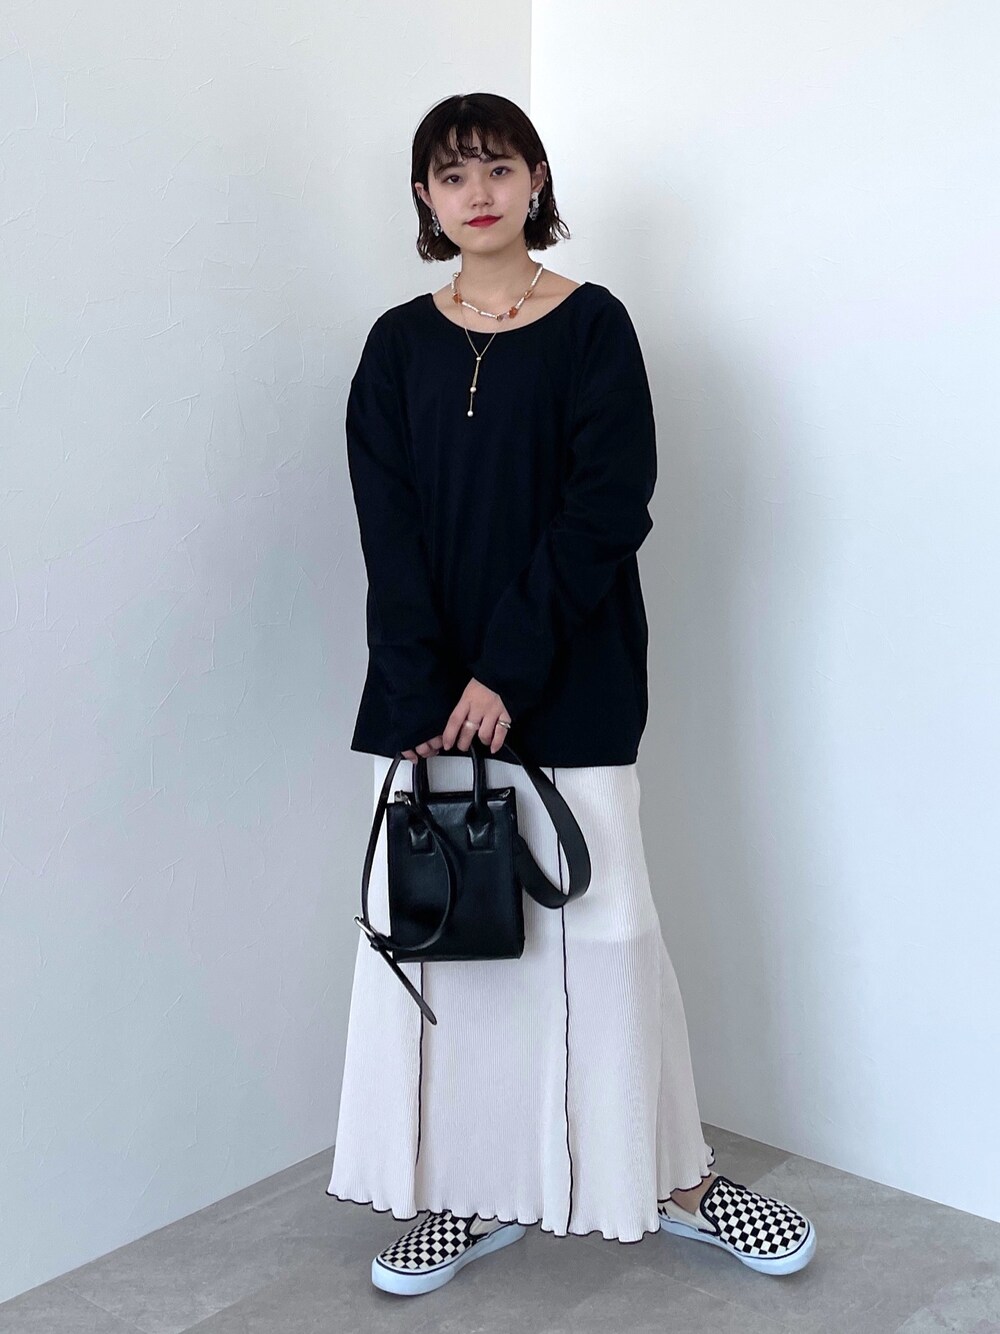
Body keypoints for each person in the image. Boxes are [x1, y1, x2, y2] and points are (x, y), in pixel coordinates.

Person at [326, 92, 817, 1297]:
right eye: (451, 175)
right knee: (454, 948)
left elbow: (609, 504)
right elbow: (386, 527)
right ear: (424, 199)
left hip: (571, 676)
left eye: (497, 167)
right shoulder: (395, 344)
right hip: (430, 700)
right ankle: (466, 1186)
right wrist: (430, 686)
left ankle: (677, 1178)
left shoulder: (594, 326)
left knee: (608, 933)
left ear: (536, 179)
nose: (477, 191)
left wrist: (507, 668)